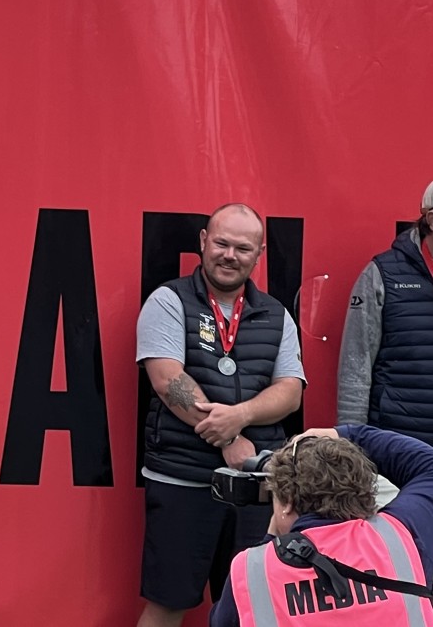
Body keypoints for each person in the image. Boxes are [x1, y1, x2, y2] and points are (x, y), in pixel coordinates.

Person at [136, 203, 307, 627]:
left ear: (259, 254)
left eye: (243, 248)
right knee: (167, 604)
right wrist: (229, 439)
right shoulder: (168, 300)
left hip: (256, 489)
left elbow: (290, 392)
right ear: (203, 242)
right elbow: (166, 379)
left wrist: (241, 416)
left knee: (253, 607)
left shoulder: (276, 314)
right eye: (222, 243)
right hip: (182, 480)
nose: (230, 255)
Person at [211, 426, 433, 626]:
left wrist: (271, 538)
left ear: (287, 501)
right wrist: (346, 434)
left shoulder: (252, 569)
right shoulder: (400, 536)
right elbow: (427, 465)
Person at [337, 181, 433, 446]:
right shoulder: (382, 274)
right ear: (431, 219)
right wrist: (350, 444)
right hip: (399, 447)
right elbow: (356, 366)